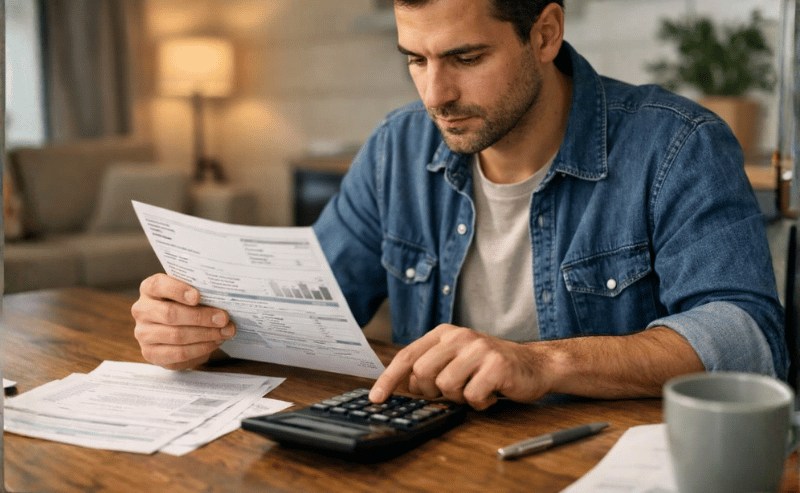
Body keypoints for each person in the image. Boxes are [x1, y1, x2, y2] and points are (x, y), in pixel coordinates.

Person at [132, 0, 786, 410]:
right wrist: (203, 331)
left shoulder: (677, 145)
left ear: (545, 33)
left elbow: (749, 339)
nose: (434, 93)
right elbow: (306, 308)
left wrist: (539, 361)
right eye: (414, 59)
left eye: (465, 57)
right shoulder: (397, 148)